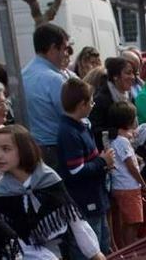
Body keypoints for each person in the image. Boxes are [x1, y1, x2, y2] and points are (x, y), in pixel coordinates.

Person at [0, 125, 104, 259]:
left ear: (24, 149)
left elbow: (75, 220)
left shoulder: (49, 179)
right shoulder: (2, 192)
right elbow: (1, 238)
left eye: (6, 149)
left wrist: (95, 253)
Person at [56, 78, 114, 256]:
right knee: (90, 249)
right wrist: (102, 162)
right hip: (84, 200)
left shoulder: (81, 126)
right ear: (82, 104)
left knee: (104, 246)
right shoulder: (69, 132)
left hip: (96, 196)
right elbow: (76, 171)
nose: (93, 105)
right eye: (91, 101)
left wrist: (102, 164)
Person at [21, 23, 73, 167]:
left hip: (33, 148)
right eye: (64, 48)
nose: (66, 54)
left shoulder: (23, 75)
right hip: (56, 150)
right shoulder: (55, 79)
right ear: (52, 49)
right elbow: (72, 116)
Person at [109, 101, 146, 249]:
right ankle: (130, 250)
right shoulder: (122, 141)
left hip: (122, 187)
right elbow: (130, 166)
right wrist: (143, 184)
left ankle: (126, 248)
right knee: (134, 222)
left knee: (128, 221)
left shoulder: (117, 140)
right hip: (128, 187)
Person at [88, 56, 135, 150]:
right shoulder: (101, 99)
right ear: (115, 76)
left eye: (133, 73)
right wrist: (116, 132)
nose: (132, 77)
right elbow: (94, 129)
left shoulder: (130, 96)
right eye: (128, 73)